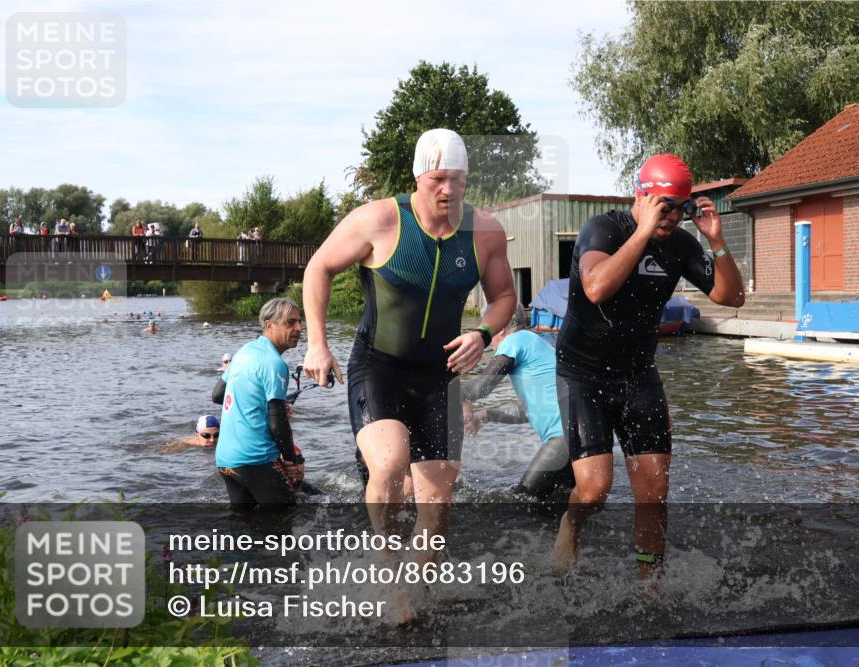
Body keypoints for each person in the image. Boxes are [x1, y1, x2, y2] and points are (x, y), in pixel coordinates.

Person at [301, 129, 516, 563]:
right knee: (389, 465)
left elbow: (505, 298)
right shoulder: (378, 220)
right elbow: (318, 267)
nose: (449, 189)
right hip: (380, 366)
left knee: (436, 504)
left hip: (441, 375)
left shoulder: (485, 232)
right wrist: (317, 344)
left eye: (458, 179)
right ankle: (387, 567)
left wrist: (482, 334)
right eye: (438, 178)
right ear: (418, 177)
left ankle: (416, 594)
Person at [552, 153, 746, 575]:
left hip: (638, 373)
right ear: (640, 196)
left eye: (681, 207)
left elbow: (731, 298)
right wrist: (641, 232)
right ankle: (571, 521)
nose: (673, 216)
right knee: (594, 489)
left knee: (654, 488)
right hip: (584, 373)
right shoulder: (603, 229)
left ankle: (648, 580)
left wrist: (716, 239)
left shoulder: (680, 244)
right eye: (664, 205)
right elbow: (596, 288)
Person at [461, 304, 574, 501]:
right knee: (557, 504)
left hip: (563, 437)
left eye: (488, 331)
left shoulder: (514, 340)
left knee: (523, 502)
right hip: (577, 435)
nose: (488, 341)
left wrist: (454, 391)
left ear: (502, 326)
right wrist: (486, 415)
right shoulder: (535, 343)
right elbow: (528, 410)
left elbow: (481, 388)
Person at [212, 297, 305, 510]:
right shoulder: (275, 363)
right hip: (256, 459)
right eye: (290, 323)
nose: (299, 328)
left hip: (226, 460)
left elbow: (218, 395)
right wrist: (291, 462)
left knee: (245, 528)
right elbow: (277, 424)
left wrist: (258, 404)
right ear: (269, 326)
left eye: (300, 322)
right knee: (286, 524)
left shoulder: (244, 351)